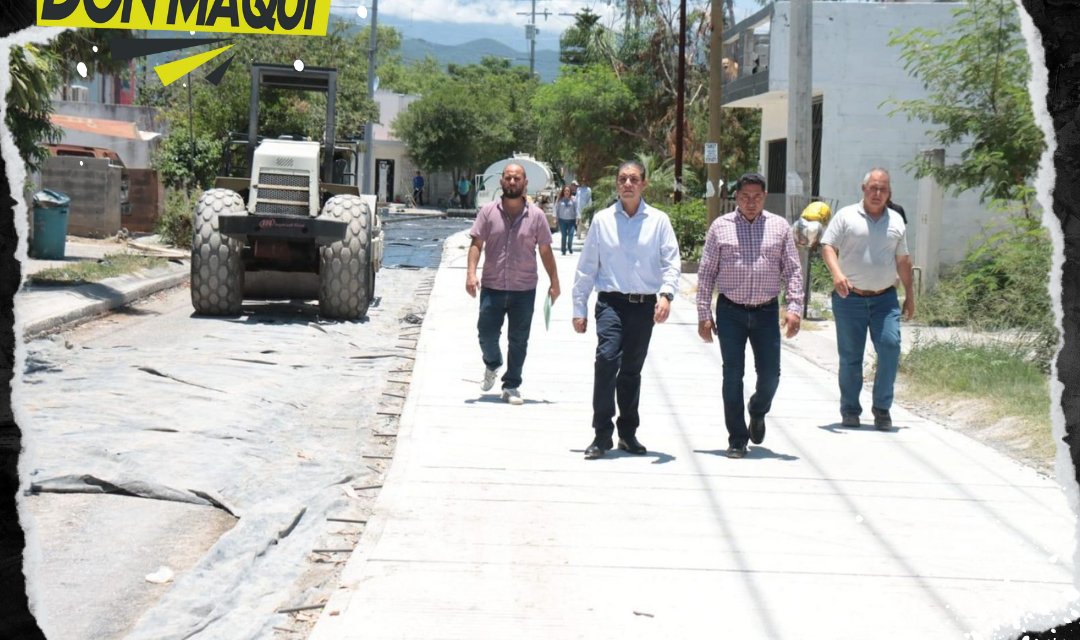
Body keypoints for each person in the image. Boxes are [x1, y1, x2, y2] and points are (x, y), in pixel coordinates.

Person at [571, 160, 681, 459]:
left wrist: (667, 295)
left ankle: (628, 434)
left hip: (643, 306)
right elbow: (587, 267)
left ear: (644, 184)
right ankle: (601, 435)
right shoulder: (602, 221)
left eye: (634, 179)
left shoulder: (659, 221)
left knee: (631, 371)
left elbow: (672, 261)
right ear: (617, 185)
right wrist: (579, 307)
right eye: (622, 179)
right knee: (606, 359)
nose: (627, 184)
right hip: (611, 302)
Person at [696, 173, 805, 459]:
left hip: (766, 312)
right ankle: (736, 438)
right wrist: (703, 314)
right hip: (731, 311)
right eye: (745, 197)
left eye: (757, 197)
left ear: (765, 196)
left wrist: (794, 308)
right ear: (736, 197)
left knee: (771, 375)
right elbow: (706, 273)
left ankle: (757, 409)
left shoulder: (779, 227)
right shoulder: (721, 227)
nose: (751, 202)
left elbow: (793, 269)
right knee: (733, 375)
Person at [820, 168, 915, 429]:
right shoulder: (846, 216)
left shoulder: (896, 220)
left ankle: (882, 407)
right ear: (863, 188)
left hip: (885, 299)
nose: (877, 193)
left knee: (890, 348)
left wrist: (910, 296)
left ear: (889, 193)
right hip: (849, 297)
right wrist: (837, 274)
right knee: (851, 356)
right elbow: (828, 246)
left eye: (883, 189)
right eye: (873, 187)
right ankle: (850, 409)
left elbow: (903, 260)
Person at [466, 163, 560, 405]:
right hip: (492, 287)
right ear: (501, 182)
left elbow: (546, 251)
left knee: (519, 340)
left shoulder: (537, 216)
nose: (512, 182)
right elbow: (476, 244)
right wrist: (471, 274)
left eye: (517, 178)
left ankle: (511, 385)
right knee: (486, 334)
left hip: (524, 289)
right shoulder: (487, 212)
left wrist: (554, 282)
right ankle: (493, 363)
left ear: (525, 183)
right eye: (508, 178)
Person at [555, 185, 577, 256]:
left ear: (570, 192)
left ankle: (570, 247)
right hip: (562, 220)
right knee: (564, 235)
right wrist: (555, 218)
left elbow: (577, 209)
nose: (566, 192)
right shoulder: (560, 200)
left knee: (571, 234)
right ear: (563, 192)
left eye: (568, 191)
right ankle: (563, 250)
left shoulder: (573, 199)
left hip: (571, 220)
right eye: (565, 191)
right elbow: (556, 209)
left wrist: (578, 218)